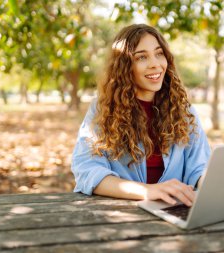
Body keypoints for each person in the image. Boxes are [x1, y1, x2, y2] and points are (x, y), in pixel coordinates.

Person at [71, 24, 210, 207]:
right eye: (142, 57)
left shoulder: (184, 111)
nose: (155, 63)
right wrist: (147, 191)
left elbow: (199, 166)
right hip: (122, 212)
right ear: (125, 66)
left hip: (176, 210)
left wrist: (211, 183)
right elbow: (87, 170)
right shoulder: (102, 109)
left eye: (159, 53)